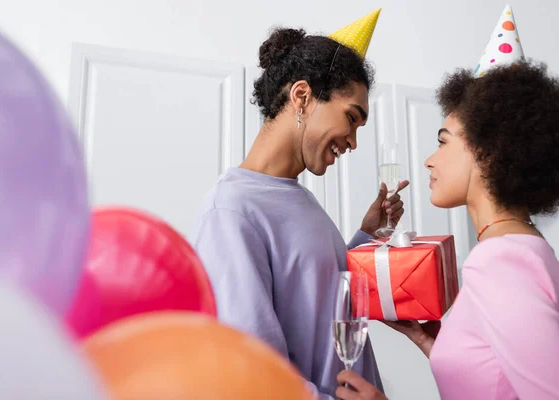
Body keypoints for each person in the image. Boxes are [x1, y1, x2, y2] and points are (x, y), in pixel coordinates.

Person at [188, 17, 410, 399]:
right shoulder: (230, 211)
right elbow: (253, 373)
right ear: (302, 97)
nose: (353, 142)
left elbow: (323, 293)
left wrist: (366, 233)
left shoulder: (299, 197)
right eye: (351, 118)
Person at [335, 60, 559, 400]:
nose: (429, 160)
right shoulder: (523, 246)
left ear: (487, 153)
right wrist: (436, 345)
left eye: (443, 142)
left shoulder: (501, 260)